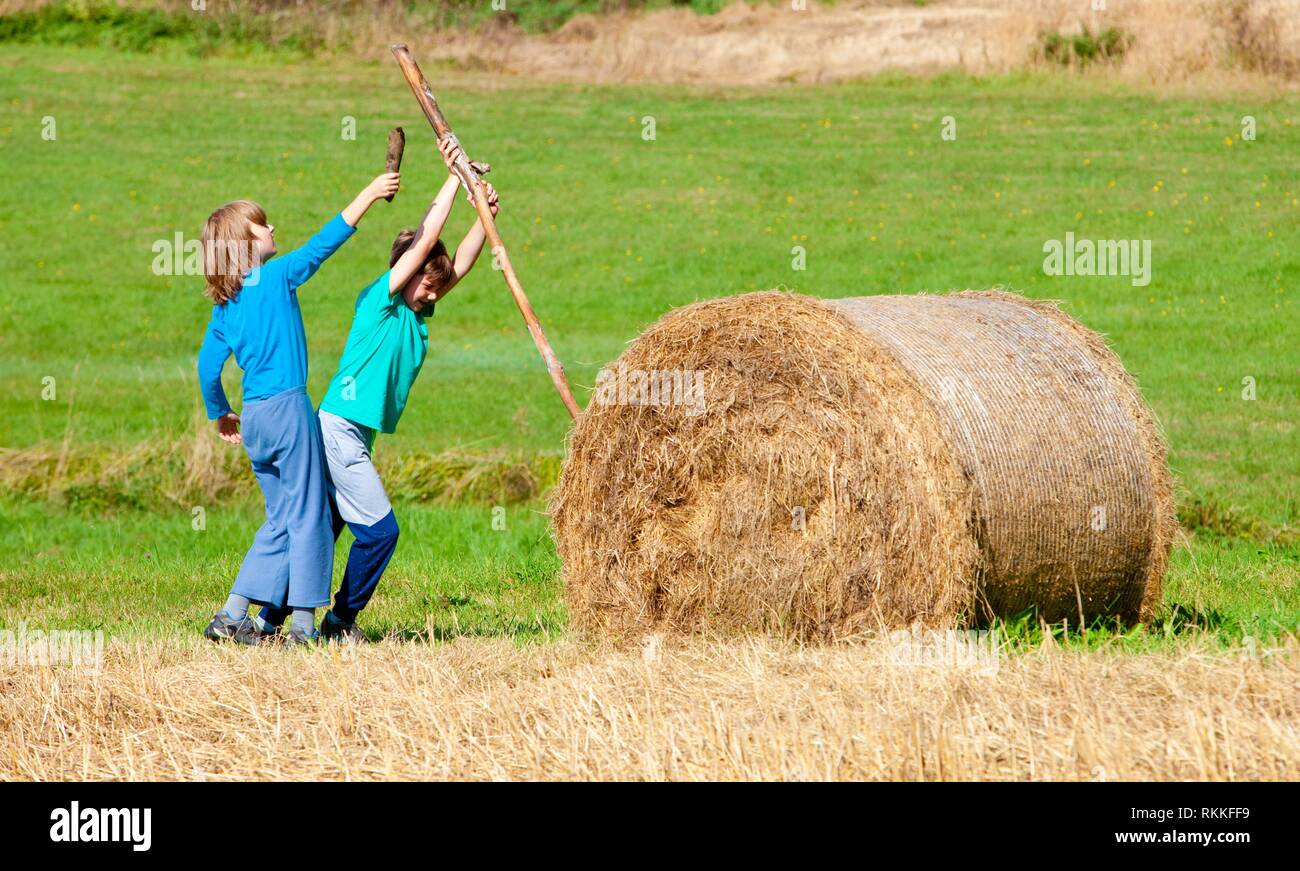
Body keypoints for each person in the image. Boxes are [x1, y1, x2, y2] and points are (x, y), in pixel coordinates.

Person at [259, 137, 499, 643]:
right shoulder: (381, 300)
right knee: (380, 532)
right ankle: (338, 624)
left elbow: (461, 265)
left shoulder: (415, 310)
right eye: (426, 284)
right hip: (339, 426)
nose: (433, 292)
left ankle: (265, 620)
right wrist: (455, 178)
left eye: (436, 287)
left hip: (350, 430)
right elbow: (428, 238)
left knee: (321, 529)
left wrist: (485, 215)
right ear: (405, 273)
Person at [197, 171, 401, 646]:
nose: (272, 230)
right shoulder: (277, 277)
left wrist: (221, 412)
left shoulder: (223, 309)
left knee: (280, 519)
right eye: (262, 226)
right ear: (246, 245)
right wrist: (370, 194)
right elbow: (323, 244)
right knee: (310, 516)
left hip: (255, 418)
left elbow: (207, 369)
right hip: (289, 411)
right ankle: (304, 627)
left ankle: (231, 614)